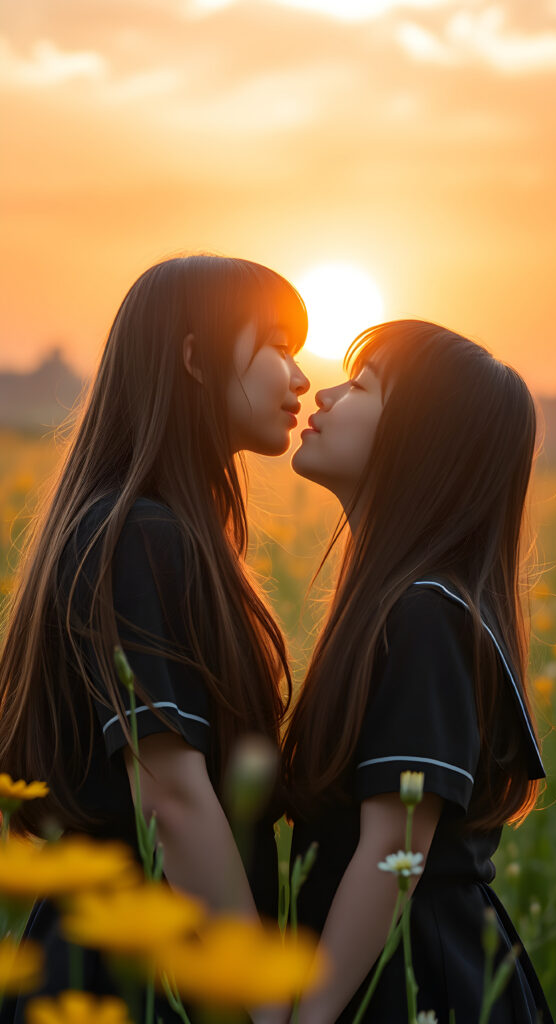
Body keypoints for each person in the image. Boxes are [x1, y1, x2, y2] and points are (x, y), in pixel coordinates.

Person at [0, 254, 309, 1020]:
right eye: (275, 344)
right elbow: (170, 796)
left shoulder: (132, 526)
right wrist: (261, 997)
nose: (300, 377)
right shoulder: (140, 535)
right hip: (138, 969)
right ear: (197, 357)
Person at [283, 320, 553, 1023]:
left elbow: (391, 850)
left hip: (420, 986)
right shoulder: (405, 606)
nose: (324, 394)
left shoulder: (426, 615)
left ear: (420, 442)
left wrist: (306, 1016)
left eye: (361, 385)